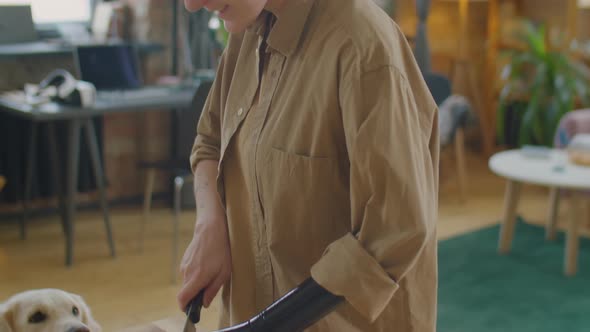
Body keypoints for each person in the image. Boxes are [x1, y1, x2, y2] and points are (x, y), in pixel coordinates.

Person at [177, 0, 439, 331]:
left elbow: (396, 231)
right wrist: (210, 224)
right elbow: (209, 142)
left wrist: (264, 326)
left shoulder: (362, 46)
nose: (191, 4)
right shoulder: (247, 31)